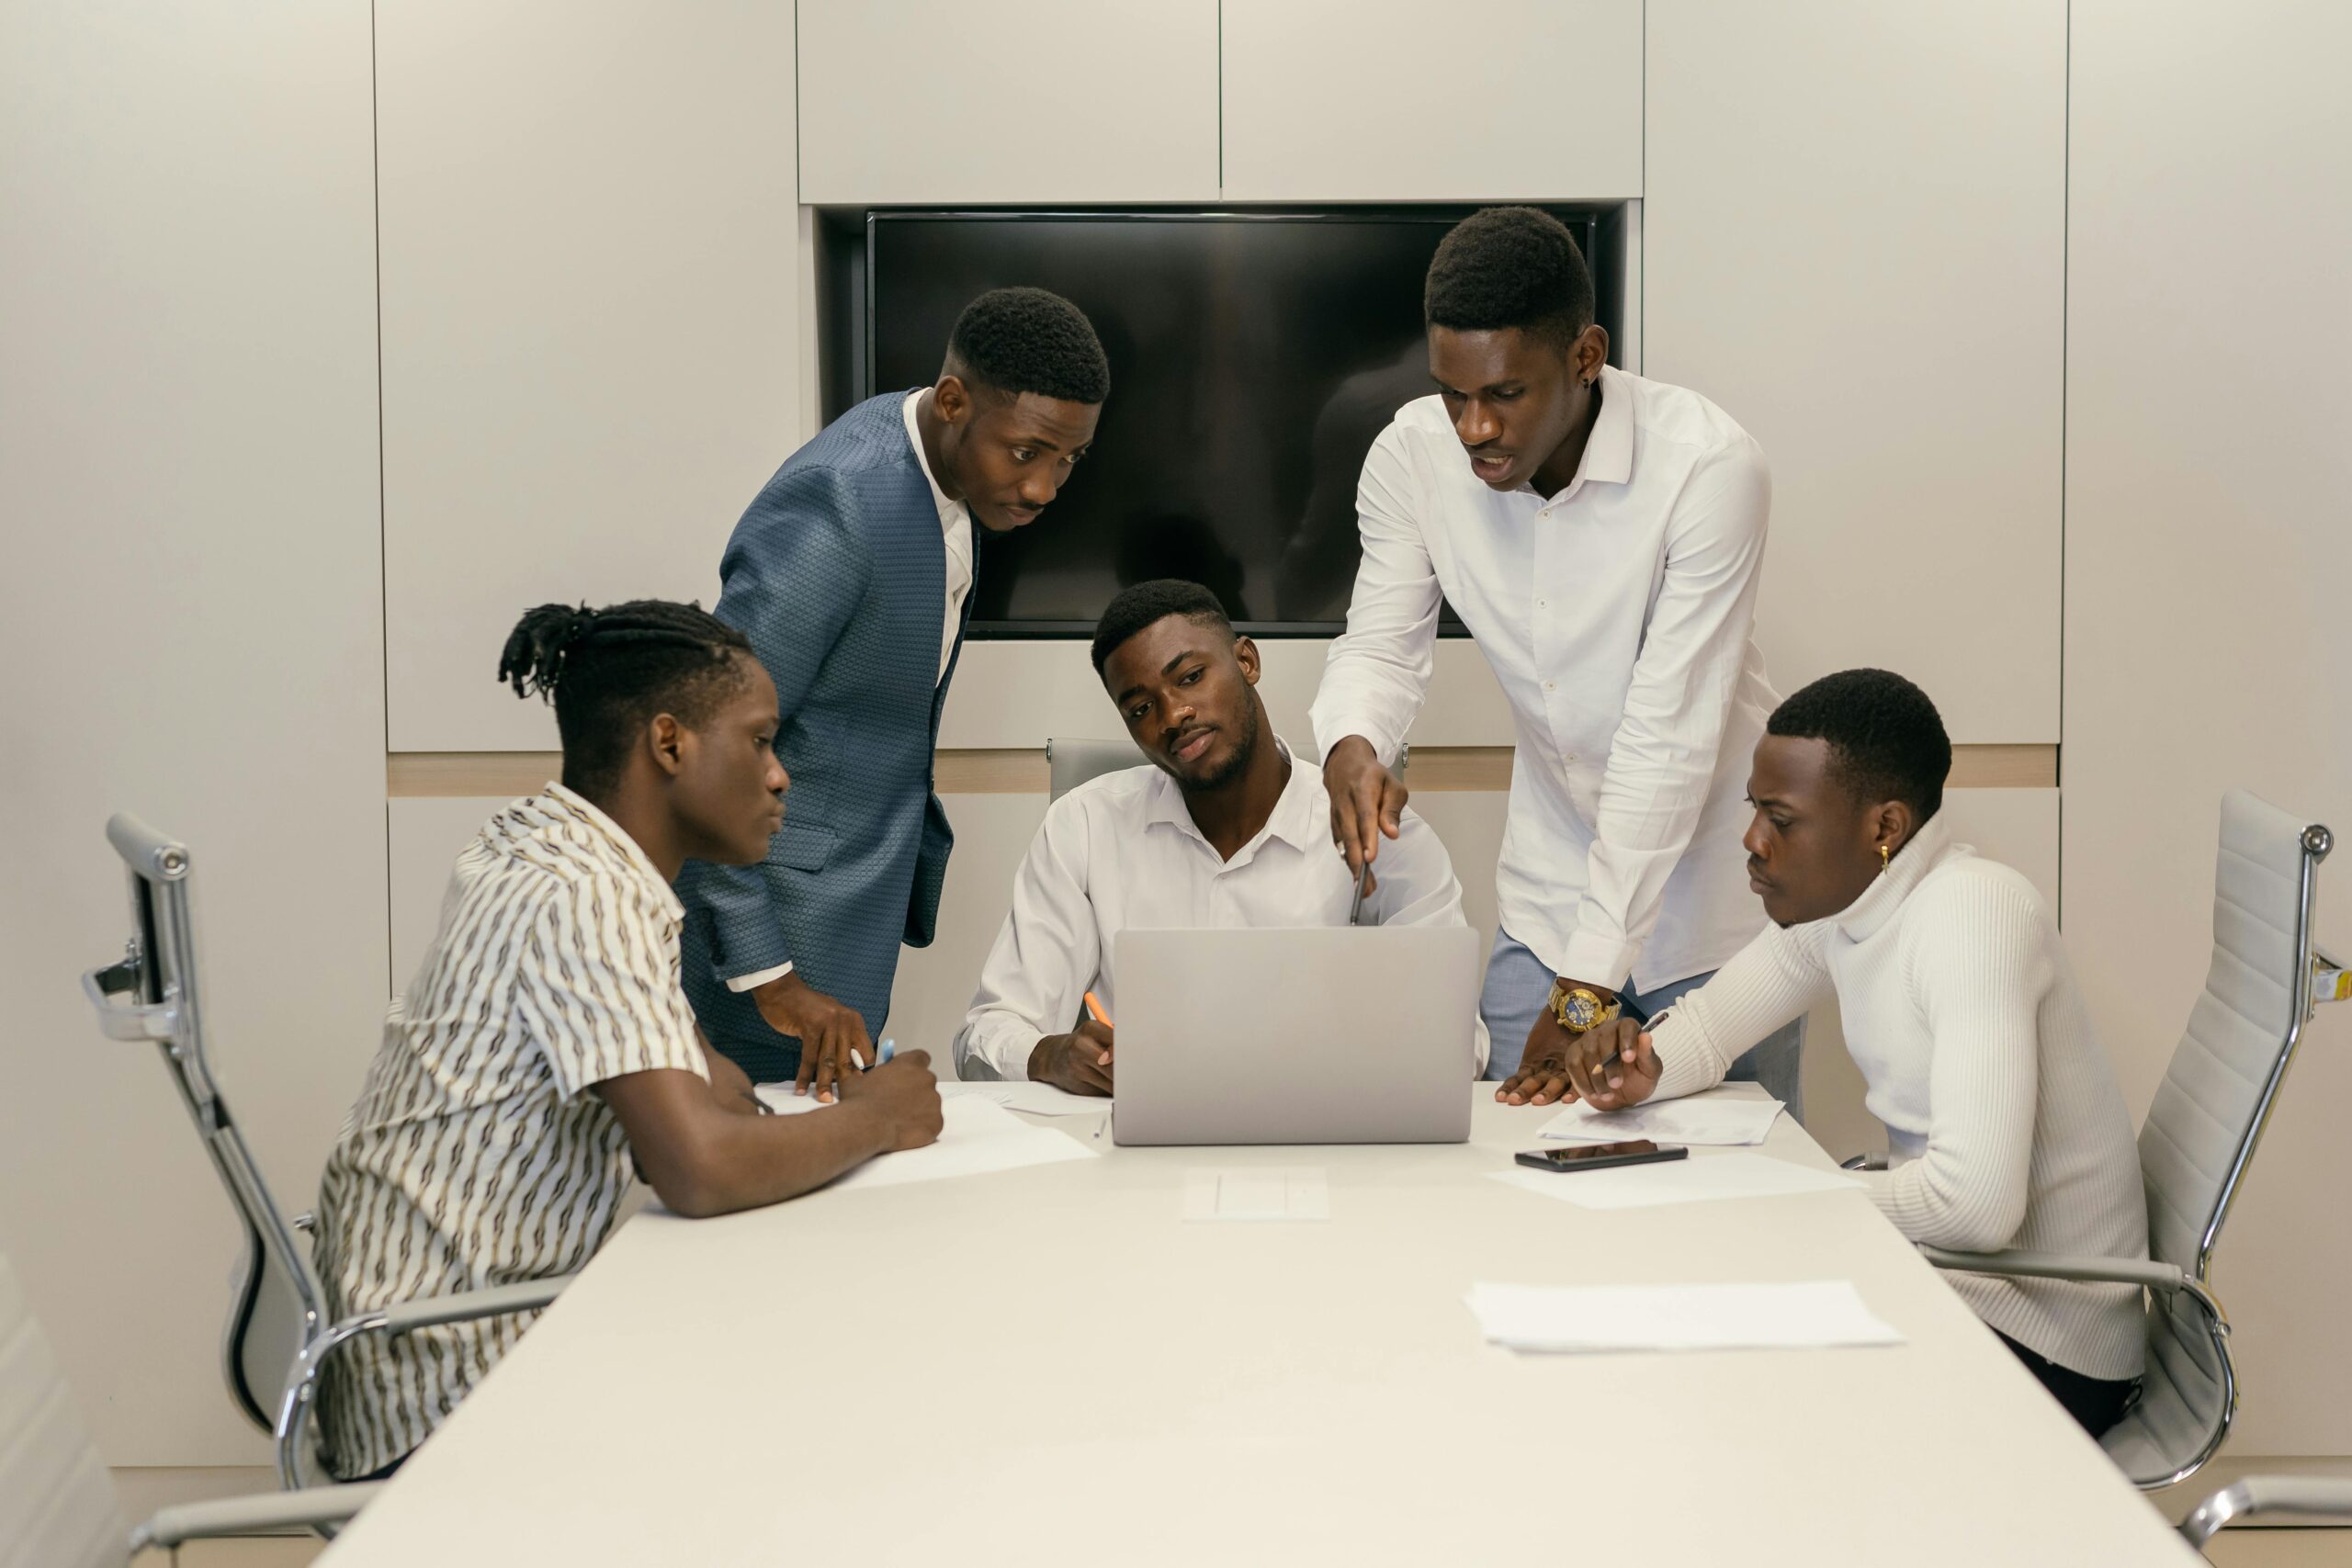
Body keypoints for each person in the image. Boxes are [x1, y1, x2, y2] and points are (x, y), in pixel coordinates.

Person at [313, 601, 944, 1481]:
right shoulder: (585, 899)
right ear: (669, 743)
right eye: (762, 741)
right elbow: (700, 1165)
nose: (780, 777)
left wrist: (736, 1118)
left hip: (431, 1345)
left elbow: (715, 1092)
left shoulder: (549, 845)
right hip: (450, 1399)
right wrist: (878, 1117)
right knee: (829, 1429)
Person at [1543, 669, 2149, 1436]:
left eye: (1782, 819)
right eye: (1754, 811)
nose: (1752, 841)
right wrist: (1643, 1066)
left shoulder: (1972, 915)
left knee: (1711, 1375)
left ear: (1884, 827)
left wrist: (1785, 1197)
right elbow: (1710, 1026)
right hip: (1957, 1283)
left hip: (2047, 1345)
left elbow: (1976, 1205)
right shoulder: (1849, 906)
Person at [1308, 207, 1804, 1114]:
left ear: (1585, 358)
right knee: (1512, 1194)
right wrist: (1351, 742)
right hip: (1547, 903)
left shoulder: (1708, 469)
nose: (1470, 427)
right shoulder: (1410, 457)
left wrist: (1587, 991)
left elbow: (1667, 741)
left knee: (1730, 1223)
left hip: (1714, 923)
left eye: (1503, 395)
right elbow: (1379, 642)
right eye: (1453, 394)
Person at [678, 287, 1110, 1100]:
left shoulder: (945, 470)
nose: (1046, 487)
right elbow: (706, 747)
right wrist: (769, 976)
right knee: (757, 1188)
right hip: (762, 943)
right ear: (952, 402)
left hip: (848, 913)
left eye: (1069, 460)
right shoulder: (837, 504)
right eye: (1028, 453)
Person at [954, 579, 1487, 1090]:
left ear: (1247, 661)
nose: (1174, 715)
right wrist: (1052, 1055)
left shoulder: (1369, 825)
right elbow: (987, 1033)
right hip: (1138, 1156)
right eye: (1140, 709)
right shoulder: (1086, 825)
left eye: (1189, 677)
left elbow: (1460, 1041)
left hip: (1323, 1148)